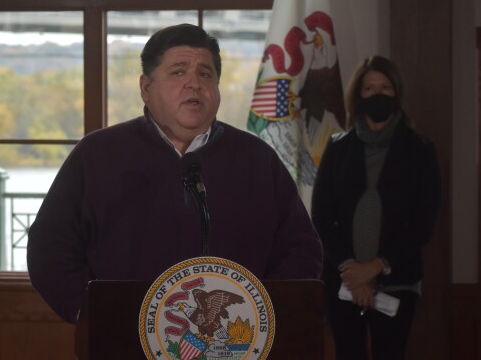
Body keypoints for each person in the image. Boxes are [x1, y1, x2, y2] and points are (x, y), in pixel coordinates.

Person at [27, 23, 323, 324]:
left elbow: (300, 248)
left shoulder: (257, 159)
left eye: (205, 74)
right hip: (123, 340)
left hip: (234, 342)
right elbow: (50, 248)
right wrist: (91, 313)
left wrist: (266, 315)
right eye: (178, 72)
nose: (194, 84)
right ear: (146, 88)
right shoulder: (97, 154)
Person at [311, 56, 440, 360]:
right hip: (344, 281)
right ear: (359, 95)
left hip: (398, 281)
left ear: (397, 93)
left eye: (385, 87)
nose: (377, 94)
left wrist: (375, 267)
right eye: (369, 88)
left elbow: (423, 223)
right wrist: (352, 271)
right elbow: (322, 216)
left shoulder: (421, 151)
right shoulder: (338, 148)